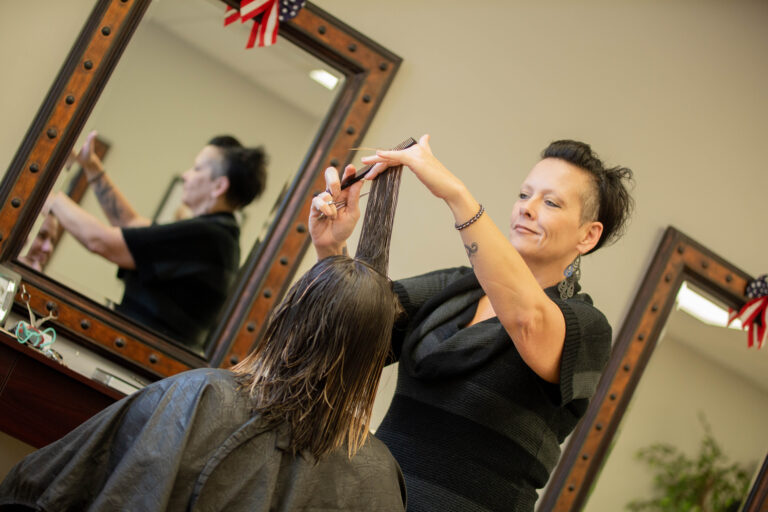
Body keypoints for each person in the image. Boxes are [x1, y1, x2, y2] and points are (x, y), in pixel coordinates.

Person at [0, 164, 408, 511]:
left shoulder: (202, 398)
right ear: (373, 360)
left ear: (287, 322)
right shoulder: (378, 476)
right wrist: (332, 254)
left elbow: (44, 487)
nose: (187, 175)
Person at [310, 134, 634, 511]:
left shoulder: (587, 327)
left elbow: (526, 319)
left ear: (588, 235)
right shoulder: (453, 290)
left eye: (551, 202)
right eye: (524, 195)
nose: (527, 209)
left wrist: (456, 195)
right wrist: (331, 248)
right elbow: (350, 331)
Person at [44, 132, 267, 350]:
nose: (186, 175)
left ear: (219, 186)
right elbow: (131, 224)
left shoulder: (210, 236)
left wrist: (49, 195)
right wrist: (91, 165)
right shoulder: (219, 235)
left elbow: (101, 242)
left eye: (197, 168)